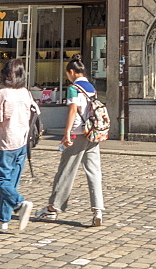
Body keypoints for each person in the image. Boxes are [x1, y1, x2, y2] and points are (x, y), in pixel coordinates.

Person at [36, 55, 104, 227]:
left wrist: (66, 133)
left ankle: (52, 209)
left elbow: (73, 111)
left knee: (66, 171)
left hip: (77, 134)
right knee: (94, 172)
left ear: (72, 72)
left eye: (68, 74)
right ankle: (98, 210)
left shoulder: (74, 88)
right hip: (92, 134)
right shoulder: (91, 87)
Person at [0, 58, 36, 232]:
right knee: (10, 183)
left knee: (1, 181)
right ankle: (2, 218)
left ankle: (20, 204)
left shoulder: (3, 94)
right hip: (22, 142)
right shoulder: (25, 93)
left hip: (7, 142)